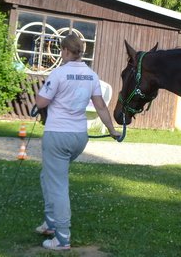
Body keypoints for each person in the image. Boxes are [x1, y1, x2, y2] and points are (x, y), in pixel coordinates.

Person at [34, 34, 122, 251]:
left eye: (61, 51)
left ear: (65, 51)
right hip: (78, 137)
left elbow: (41, 101)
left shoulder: (59, 73)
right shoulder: (91, 75)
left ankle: (62, 238)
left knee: (58, 184)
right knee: (48, 175)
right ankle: (50, 223)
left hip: (58, 135)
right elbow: (101, 106)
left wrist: (45, 93)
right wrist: (111, 129)